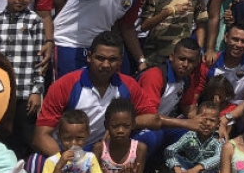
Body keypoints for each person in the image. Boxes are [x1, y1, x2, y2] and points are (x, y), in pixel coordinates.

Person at [34, 31, 154, 159]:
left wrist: (118, 125)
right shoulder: (65, 85)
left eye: (112, 59)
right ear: (89, 57)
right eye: (100, 58)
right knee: (37, 162)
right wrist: (69, 163)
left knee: (150, 136)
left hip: (102, 151)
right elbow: (41, 136)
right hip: (67, 151)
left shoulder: (128, 84)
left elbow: (152, 118)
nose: (106, 65)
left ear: (120, 61)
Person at [0, 0, 47, 158]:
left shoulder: (35, 21)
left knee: (26, 137)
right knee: (2, 135)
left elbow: (40, 59)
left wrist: (36, 91)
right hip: (3, 92)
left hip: (26, 92)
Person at [146, 99, 223, 173]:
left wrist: (197, 169)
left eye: (212, 121)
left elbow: (219, 157)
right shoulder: (190, 135)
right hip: (189, 170)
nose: (207, 124)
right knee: (175, 156)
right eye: (204, 119)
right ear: (196, 119)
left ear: (218, 123)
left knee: (211, 169)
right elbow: (170, 150)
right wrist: (176, 166)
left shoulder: (217, 140)